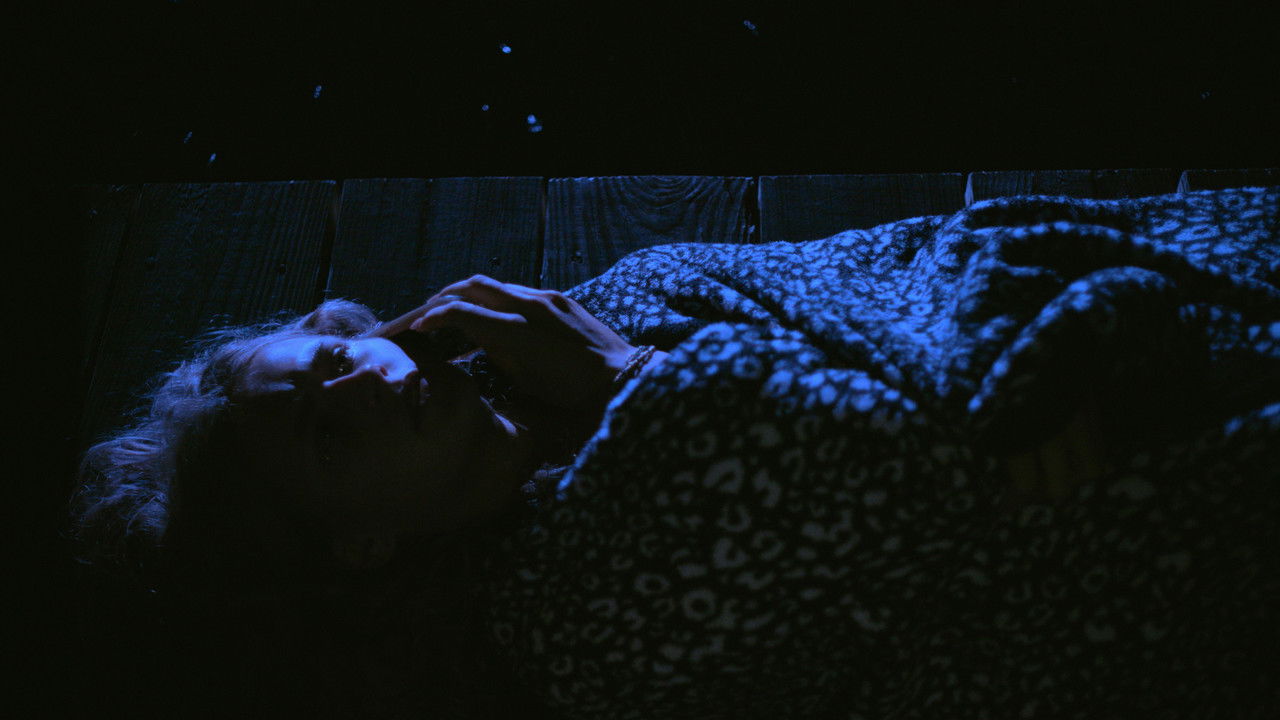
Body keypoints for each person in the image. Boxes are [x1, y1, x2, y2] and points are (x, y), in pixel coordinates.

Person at [73, 186, 1279, 719]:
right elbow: (890, 463)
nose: (368, 390)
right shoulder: (572, 615)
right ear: (363, 542)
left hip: (1140, 300)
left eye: (334, 362)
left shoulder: (591, 307)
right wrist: (619, 379)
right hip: (1176, 515)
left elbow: (878, 266)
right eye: (328, 437)